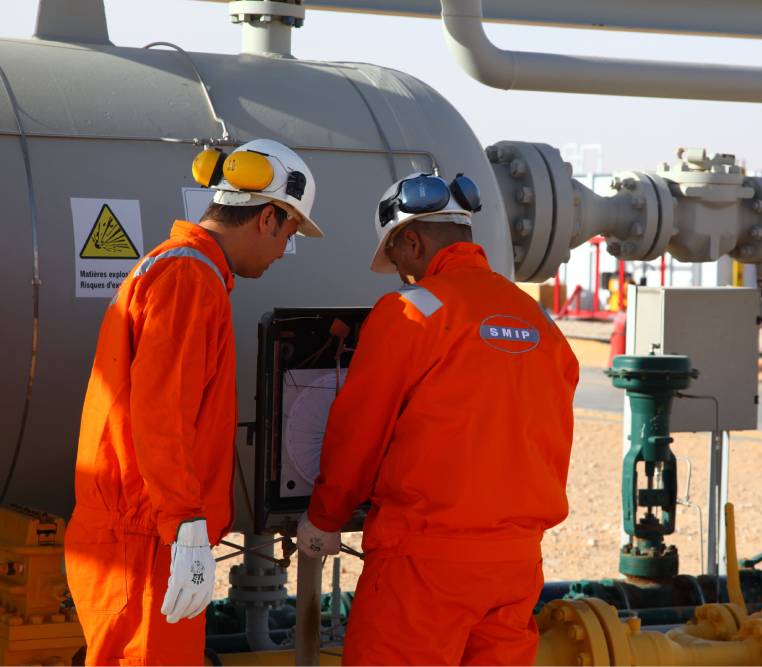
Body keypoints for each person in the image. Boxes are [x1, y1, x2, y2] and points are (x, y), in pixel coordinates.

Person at [297, 172, 579, 665]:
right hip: (515, 566)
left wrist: (324, 517)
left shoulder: (411, 312)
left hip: (424, 564)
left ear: (412, 242)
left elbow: (359, 430)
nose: (402, 275)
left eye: (398, 261)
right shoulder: (539, 322)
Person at [64, 139, 323, 666]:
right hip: (148, 536)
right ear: (267, 218)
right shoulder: (189, 279)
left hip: (144, 529)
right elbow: (163, 411)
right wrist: (184, 527)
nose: (282, 252)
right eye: (290, 232)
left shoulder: (179, 269)